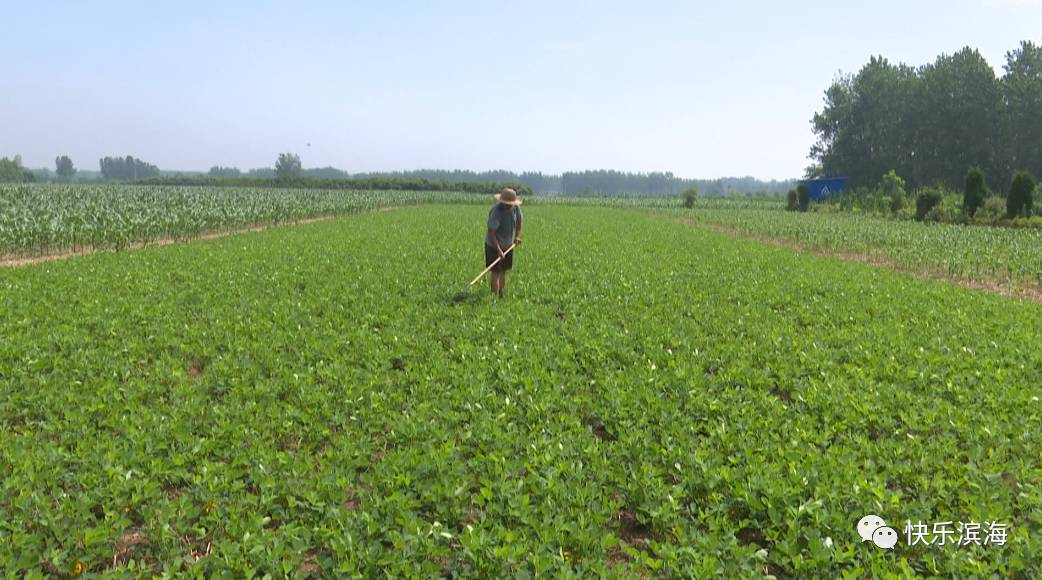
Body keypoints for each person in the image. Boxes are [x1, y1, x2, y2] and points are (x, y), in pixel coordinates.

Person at [485, 188, 523, 297]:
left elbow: (519, 222)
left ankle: (501, 295)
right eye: (507, 204)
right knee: (496, 272)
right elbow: (491, 232)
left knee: (503, 270)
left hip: (508, 245)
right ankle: (494, 297)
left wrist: (517, 236)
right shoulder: (496, 212)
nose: (509, 206)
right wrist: (498, 249)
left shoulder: (516, 209)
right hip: (493, 245)